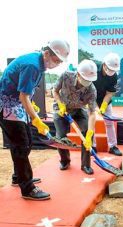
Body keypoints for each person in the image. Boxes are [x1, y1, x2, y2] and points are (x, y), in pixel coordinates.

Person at [0, 39, 70, 200]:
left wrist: (32, 107)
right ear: (47, 53)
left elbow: (26, 93)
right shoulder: (32, 65)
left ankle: (19, 176)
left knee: (27, 142)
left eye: (60, 61)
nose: (58, 64)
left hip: (16, 103)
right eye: (56, 60)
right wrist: (36, 120)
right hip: (7, 104)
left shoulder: (39, 63)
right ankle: (28, 188)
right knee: (21, 144)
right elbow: (23, 95)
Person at [53, 59, 98, 175]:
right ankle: (65, 161)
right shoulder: (66, 76)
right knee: (60, 136)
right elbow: (55, 91)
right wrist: (59, 103)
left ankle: (86, 165)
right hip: (61, 109)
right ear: (78, 74)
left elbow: (92, 113)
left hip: (79, 110)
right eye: (85, 79)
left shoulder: (92, 90)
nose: (88, 82)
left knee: (87, 132)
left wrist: (90, 134)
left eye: (90, 80)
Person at [93, 52, 122, 156]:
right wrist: (95, 106)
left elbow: (110, 93)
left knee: (109, 122)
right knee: (91, 121)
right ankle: (92, 146)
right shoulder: (93, 68)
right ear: (104, 64)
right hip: (90, 97)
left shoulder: (114, 76)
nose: (111, 72)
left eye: (113, 70)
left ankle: (113, 146)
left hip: (105, 98)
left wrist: (104, 106)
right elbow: (87, 89)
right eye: (110, 69)